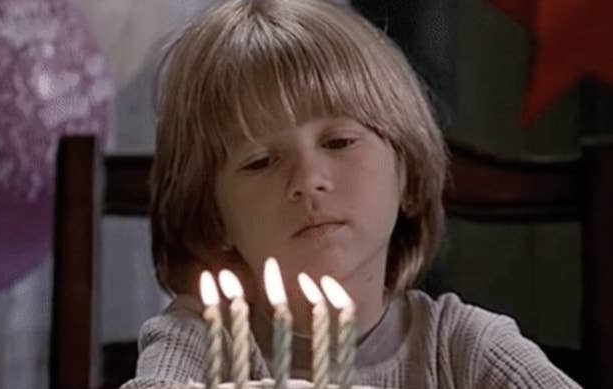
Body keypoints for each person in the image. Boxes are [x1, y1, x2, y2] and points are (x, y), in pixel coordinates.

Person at [121, 0, 580, 387]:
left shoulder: (460, 347)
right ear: (212, 216)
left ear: (406, 170)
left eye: (339, 142)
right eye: (259, 162)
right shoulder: (202, 340)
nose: (308, 180)